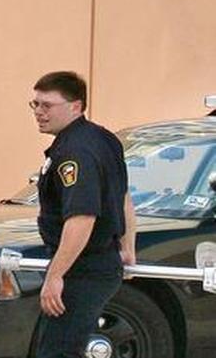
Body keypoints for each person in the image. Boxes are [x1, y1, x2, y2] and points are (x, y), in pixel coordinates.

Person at [30, 71, 137, 358]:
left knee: (58, 352)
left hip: (82, 268)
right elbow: (122, 196)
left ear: (76, 106)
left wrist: (56, 275)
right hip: (98, 263)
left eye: (47, 105)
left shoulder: (74, 152)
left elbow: (82, 218)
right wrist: (127, 247)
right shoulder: (103, 139)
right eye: (35, 104)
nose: (39, 112)